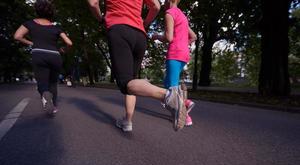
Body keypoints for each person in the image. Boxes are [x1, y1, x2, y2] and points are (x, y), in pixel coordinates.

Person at [87, 0, 187, 132]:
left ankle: (169, 96)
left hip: (119, 29)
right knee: (132, 81)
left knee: (125, 83)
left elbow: (93, 3)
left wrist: (101, 19)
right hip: (139, 35)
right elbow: (156, 6)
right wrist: (144, 24)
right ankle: (127, 121)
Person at [14, 0, 72, 115]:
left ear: (37, 10)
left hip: (39, 54)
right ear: (51, 12)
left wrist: (31, 43)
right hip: (55, 56)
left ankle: (45, 94)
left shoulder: (30, 23)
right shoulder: (56, 28)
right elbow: (69, 43)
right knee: (53, 83)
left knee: (42, 82)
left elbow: (17, 36)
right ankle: (54, 107)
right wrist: (63, 50)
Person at [152, 0, 197, 126]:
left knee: (171, 87)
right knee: (169, 83)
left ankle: (185, 115)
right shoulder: (182, 15)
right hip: (184, 54)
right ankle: (185, 102)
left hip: (175, 53)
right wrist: (183, 45)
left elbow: (168, 37)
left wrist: (156, 36)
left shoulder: (170, 13)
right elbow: (193, 36)